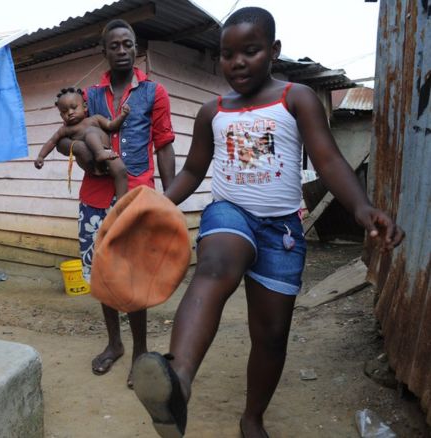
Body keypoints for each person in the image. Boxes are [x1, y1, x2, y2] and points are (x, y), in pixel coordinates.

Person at [132, 7, 405, 438]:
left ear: (274, 51)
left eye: (251, 51)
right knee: (215, 266)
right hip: (229, 213)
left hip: (281, 230)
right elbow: (191, 172)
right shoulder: (212, 111)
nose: (237, 63)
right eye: (227, 55)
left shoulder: (295, 98)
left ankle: (252, 417)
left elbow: (329, 159)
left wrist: (362, 207)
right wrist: (155, 206)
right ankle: (177, 383)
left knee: (272, 334)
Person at [56, 19, 176, 388]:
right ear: (103, 51)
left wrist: (170, 200)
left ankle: (140, 350)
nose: (122, 51)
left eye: (128, 44)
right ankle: (114, 344)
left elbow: (164, 144)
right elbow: (62, 140)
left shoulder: (154, 93)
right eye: (114, 46)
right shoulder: (88, 96)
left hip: (137, 195)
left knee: (134, 274)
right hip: (95, 199)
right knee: (101, 273)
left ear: (136, 48)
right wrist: (83, 153)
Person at [34, 87, 130, 198]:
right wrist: (41, 156)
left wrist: (123, 116)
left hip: (107, 153)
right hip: (90, 160)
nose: (70, 113)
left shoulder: (95, 119)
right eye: (65, 111)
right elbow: (52, 141)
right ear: (61, 116)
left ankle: (121, 203)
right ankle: (99, 154)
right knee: (89, 132)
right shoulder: (65, 130)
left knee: (121, 170)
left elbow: (111, 125)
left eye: (74, 108)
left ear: (85, 107)